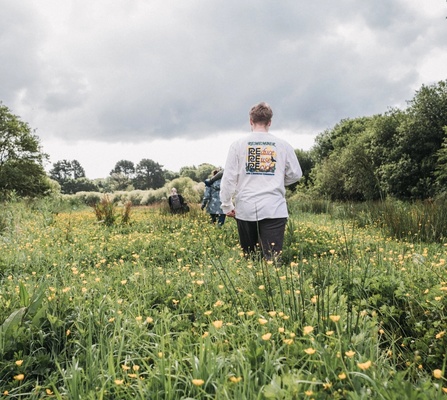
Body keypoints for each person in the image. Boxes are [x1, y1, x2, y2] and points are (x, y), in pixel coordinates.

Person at [220, 102, 302, 260]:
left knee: (250, 257)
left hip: (246, 207)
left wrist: (227, 205)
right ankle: (272, 281)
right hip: (274, 207)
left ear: (250, 121)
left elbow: (229, 178)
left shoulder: (238, 145)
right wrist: (277, 180)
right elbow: (296, 174)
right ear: (269, 122)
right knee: (272, 258)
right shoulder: (283, 145)